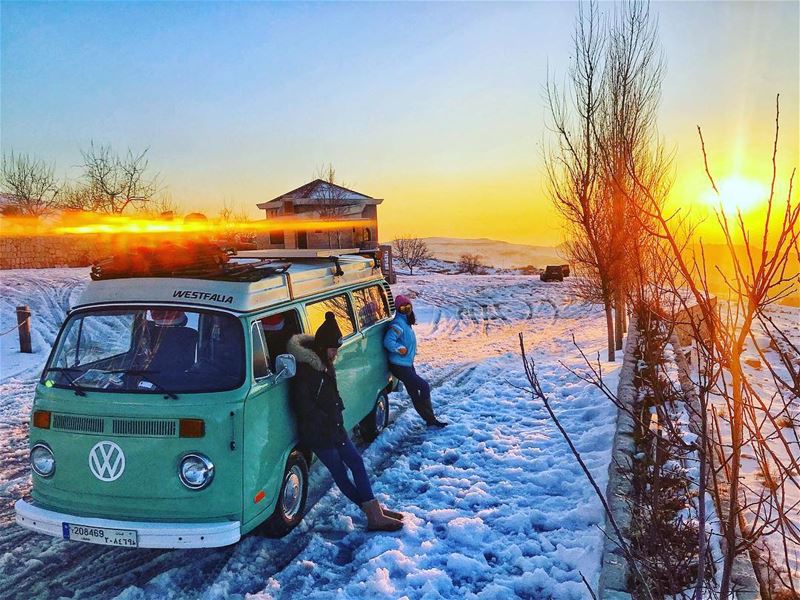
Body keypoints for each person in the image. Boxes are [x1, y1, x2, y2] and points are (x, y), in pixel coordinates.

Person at [288, 312, 404, 532]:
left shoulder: (324, 363)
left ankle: (373, 509)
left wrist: (337, 410)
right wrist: (327, 421)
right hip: (319, 434)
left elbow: (330, 394)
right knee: (340, 474)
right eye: (334, 348)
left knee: (357, 464)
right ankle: (372, 513)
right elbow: (304, 407)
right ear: (323, 347)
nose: (336, 353)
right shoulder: (307, 371)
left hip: (335, 429)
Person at [384, 295, 447, 428]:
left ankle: (430, 420)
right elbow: (388, 341)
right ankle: (431, 419)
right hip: (399, 365)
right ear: (398, 309)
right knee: (423, 386)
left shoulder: (405, 322)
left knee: (414, 393)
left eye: (408, 307)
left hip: (406, 363)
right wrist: (399, 348)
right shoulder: (397, 324)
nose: (406, 310)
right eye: (403, 307)